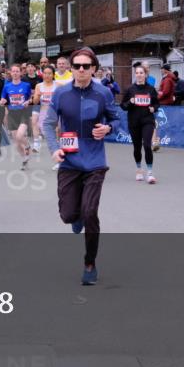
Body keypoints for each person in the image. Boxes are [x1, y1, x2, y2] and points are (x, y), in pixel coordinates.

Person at [43, 48, 120, 286]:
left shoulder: (103, 92)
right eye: (77, 66)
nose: (81, 70)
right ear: (71, 68)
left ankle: (90, 263)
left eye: (86, 66)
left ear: (94, 69)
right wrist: (54, 148)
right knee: (68, 215)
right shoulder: (61, 93)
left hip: (95, 162)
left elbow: (117, 118)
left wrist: (108, 129)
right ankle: (75, 217)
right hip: (69, 161)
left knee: (90, 213)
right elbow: (48, 123)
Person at [121, 66, 160, 183]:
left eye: (141, 73)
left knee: (147, 145)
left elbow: (157, 103)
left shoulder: (151, 89)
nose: (139, 75)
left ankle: (150, 173)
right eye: (137, 73)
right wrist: (130, 102)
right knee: (137, 147)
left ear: (145, 74)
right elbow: (123, 106)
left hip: (147, 120)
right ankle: (139, 170)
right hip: (134, 122)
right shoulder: (130, 89)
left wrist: (154, 108)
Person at [1, 64, 33, 170]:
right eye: (13, 71)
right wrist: (3, 101)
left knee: (20, 136)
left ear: (20, 73)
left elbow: (30, 98)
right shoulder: (7, 86)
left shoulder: (26, 85)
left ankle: (27, 145)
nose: (15, 73)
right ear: (10, 73)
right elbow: (2, 101)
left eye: (17, 71)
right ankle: (24, 159)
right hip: (12, 114)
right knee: (16, 141)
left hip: (23, 113)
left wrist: (28, 101)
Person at [33, 64, 58, 162]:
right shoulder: (39, 86)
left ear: (53, 75)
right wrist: (37, 96)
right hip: (43, 111)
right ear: (42, 74)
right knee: (49, 137)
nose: (47, 75)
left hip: (55, 112)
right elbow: (35, 102)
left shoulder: (58, 85)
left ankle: (58, 157)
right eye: (45, 73)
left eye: (49, 73)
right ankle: (37, 142)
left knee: (56, 135)